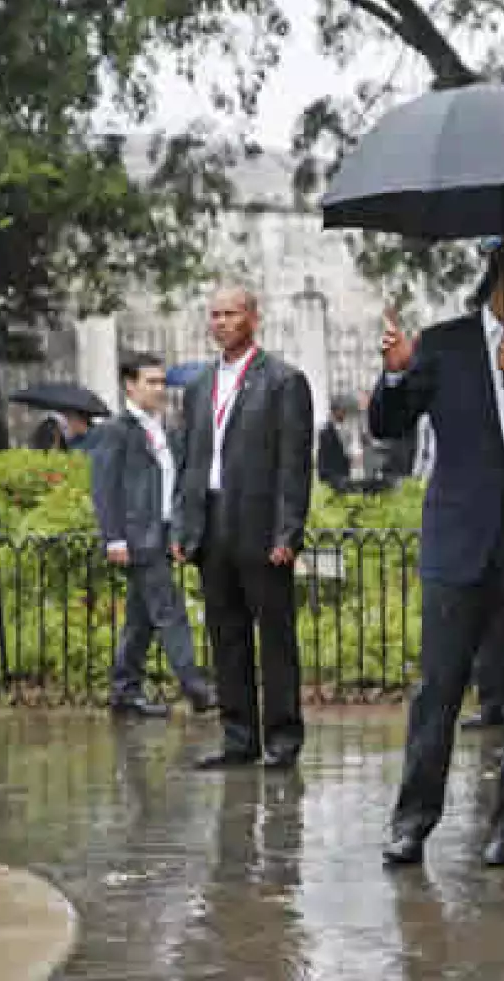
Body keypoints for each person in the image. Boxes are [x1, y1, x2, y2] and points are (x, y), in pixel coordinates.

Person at [373, 234, 504, 869]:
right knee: (437, 689)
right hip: (457, 543)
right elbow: (387, 424)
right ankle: (411, 822)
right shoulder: (443, 344)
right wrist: (395, 370)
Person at [173, 285, 314, 771]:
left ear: (254, 317)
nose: (221, 322)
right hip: (212, 525)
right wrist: (183, 525)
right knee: (225, 634)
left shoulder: (282, 380)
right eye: (214, 314)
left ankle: (281, 740)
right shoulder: (197, 387)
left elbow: (294, 465)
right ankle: (238, 739)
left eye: (231, 313)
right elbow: (188, 459)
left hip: (260, 527)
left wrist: (287, 532)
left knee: (274, 637)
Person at [89, 351, 217, 719]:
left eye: (163, 382)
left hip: (162, 534)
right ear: (130, 385)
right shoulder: (115, 430)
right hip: (136, 536)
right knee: (169, 609)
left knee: (141, 618)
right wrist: (112, 538)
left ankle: (124, 691)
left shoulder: (165, 430)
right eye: (152, 382)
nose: (161, 389)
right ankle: (196, 687)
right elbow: (104, 488)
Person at [317, 396, 353, 491]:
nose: (344, 413)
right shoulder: (325, 431)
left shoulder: (345, 429)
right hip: (333, 477)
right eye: (342, 410)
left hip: (344, 475)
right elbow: (323, 455)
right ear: (334, 412)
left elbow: (345, 452)